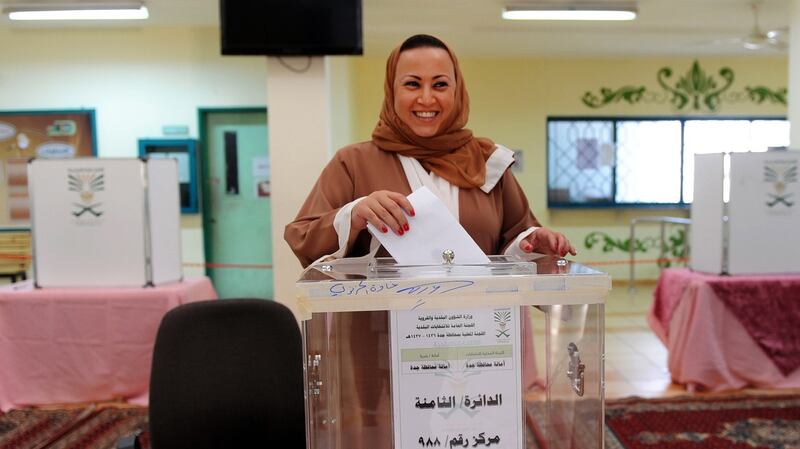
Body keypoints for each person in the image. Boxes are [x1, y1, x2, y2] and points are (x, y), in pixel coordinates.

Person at [285, 34, 576, 448]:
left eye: (440, 84)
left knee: (474, 429)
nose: (427, 97)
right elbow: (303, 235)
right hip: (384, 345)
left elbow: (514, 234)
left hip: (478, 342)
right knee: (389, 434)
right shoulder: (354, 163)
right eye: (412, 84)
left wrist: (534, 240)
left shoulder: (487, 164)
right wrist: (356, 213)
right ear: (391, 90)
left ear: (457, 90)